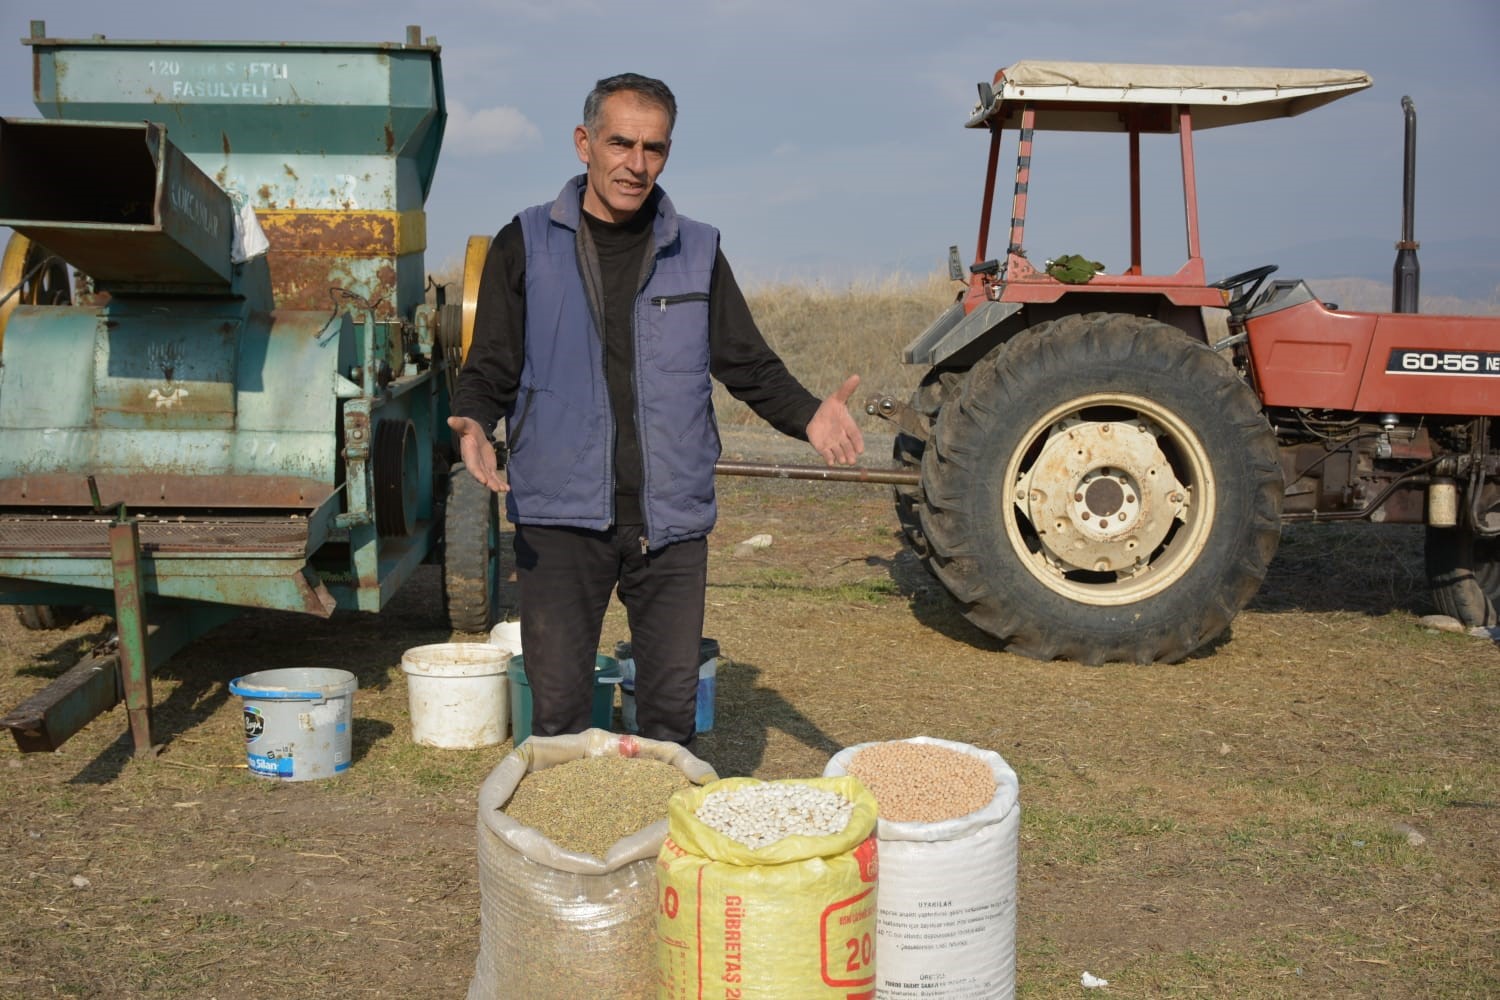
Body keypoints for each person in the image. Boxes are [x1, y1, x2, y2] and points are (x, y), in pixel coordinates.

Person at [447, 72, 863, 747]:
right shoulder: (524, 242)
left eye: (654, 148)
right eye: (621, 144)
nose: (636, 165)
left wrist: (808, 415)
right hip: (558, 518)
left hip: (668, 524)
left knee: (671, 721)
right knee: (557, 718)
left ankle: (664, 850)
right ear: (584, 144)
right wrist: (472, 416)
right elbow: (491, 362)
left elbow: (746, 361)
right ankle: (566, 849)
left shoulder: (695, 250)